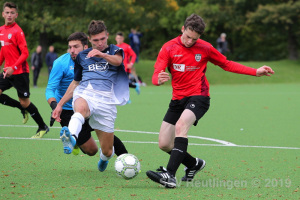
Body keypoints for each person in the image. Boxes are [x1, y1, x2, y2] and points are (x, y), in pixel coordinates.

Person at [146, 14, 274, 188]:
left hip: (199, 96)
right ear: (182, 29)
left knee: (181, 126)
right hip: (177, 99)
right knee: (164, 143)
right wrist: (157, 80)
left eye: (194, 39)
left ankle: (170, 175)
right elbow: (156, 73)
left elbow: (226, 64)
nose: (190, 41)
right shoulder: (168, 48)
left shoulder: (205, 48)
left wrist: (255, 71)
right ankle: (193, 164)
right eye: (188, 37)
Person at [52, 20, 129, 172]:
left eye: (102, 39)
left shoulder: (115, 50)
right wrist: (60, 105)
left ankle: (104, 158)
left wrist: (101, 54)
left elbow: (118, 61)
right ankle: (71, 137)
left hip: (106, 101)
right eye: (95, 40)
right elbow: (75, 83)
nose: (100, 43)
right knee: (80, 109)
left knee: (107, 150)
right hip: (86, 92)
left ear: (107, 36)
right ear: (89, 39)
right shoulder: (82, 56)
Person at [0, 2, 49, 138]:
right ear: (3, 14)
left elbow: (25, 53)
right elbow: (3, 51)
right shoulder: (1, 30)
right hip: (7, 71)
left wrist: (13, 67)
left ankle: (42, 126)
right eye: (7, 12)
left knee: (25, 102)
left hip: (20, 72)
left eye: (12, 13)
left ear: (16, 15)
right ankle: (21, 108)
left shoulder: (18, 31)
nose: (9, 15)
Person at [115, 31, 140, 96]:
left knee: (122, 83)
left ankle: (126, 97)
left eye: (120, 38)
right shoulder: (114, 47)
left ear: (122, 39)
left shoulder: (127, 46)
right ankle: (134, 85)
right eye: (118, 38)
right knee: (121, 83)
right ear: (115, 39)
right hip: (117, 68)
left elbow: (134, 55)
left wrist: (131, 64)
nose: (119, 39)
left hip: (125, 68)